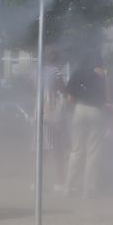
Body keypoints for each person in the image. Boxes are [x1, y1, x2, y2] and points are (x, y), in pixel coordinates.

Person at [64, 52, 110, 198]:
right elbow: (107, 98)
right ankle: (88, 190)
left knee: (76, 150)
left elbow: (70, 99)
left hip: (80, 110)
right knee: (93, 152)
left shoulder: (77, 72)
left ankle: (69, 187)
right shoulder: (102, 76)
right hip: (97, 112)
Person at [39, 46, 67, 191]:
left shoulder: (37, 71)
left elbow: (30, 87)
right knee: (57, 148)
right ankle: (59, 182)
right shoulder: (56, 71)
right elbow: (63, 89)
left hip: (39, 111)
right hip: (52, 112)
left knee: (40, 147)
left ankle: (37, 181)